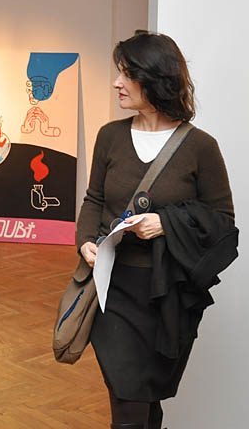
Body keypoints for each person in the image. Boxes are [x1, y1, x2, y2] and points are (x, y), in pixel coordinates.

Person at [77, 31, 237, 429]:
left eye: (127, 74)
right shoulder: (109, 136)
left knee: (148, 403)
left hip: (168, 296)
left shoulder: (201, 147)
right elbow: (94, 199)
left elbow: (223, 222)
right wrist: (85, 242)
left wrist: (165, 224)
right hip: (113, 288)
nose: (116, 82)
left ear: (155, 79)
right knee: (128, 402)